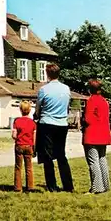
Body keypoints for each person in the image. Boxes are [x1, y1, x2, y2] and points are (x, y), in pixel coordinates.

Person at [34, 63, 74, 192]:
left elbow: (38, 108)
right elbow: (67, 106)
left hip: (47, 123)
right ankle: (68, 185)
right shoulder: (66, 89)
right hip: (62, 124)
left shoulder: (44, 90)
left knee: (47, 156)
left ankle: (52, 185)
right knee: (61, 155)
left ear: (47, 74)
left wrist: (36, 115)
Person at [82, 79, 111, 194]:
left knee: (93, 161)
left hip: (92, 135)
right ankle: (105, 185)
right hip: (103, 135)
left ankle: (96, 187)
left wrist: (83, 120)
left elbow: (88, 119)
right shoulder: (104, 101)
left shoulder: (91, 100)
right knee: (102, 159)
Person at [12, 100, 37, 192]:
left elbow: (14, 135)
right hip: (29, 146)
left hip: (19, 145)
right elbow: (34, 137)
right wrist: (34, 147)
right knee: (29, 167)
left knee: (18, 167)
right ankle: (30, 187)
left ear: (20, 110)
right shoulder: (33, 123)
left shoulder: (17, 121)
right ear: (30, 110)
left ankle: (18, 187)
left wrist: (17, 138)